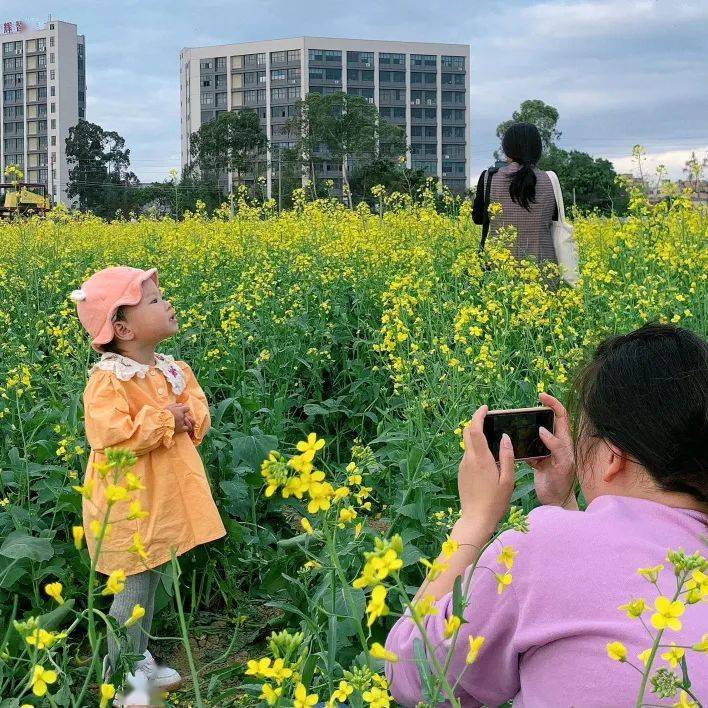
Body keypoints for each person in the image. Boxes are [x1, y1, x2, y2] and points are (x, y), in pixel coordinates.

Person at [385, 323, 708, 706]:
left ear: (613, 456)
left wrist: (474, 519)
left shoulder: (542, 544)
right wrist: (562, 503)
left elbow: (412, 673)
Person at [71, 267, 226, 701]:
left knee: (153, 577)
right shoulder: (108, 379)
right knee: (133, 589)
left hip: (163, 499)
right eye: (155, 301)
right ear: (121, 327)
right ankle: (120, 680)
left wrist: (187, 416)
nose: (167, 303)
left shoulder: (172, 369)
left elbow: (197, 409)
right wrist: (164, 420)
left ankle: (136, 658)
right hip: (128, 504)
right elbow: (109, 434)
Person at [472, 122, 559, 263]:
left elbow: (478, 219)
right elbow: (554, 221)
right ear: (537, 150)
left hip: (500, 273)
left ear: (507, 150)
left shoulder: (489, 177)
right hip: (544, 272)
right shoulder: (550, 179)